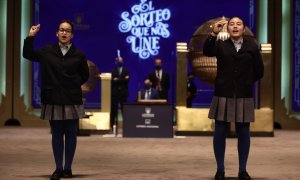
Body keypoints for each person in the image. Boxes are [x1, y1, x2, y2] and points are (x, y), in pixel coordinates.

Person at [23, 20, 89, 180]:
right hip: (53, 98)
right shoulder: (47, 51)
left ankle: (68, 168)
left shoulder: (79, 54)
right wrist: (30, 37)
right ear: (57, 33)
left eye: (67, 31)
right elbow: (28, 54)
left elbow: (84, 75)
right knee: (57, 135)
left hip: (72, 99)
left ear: (72, 35)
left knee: (72, 135)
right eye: (61, 30)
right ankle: (58, 168)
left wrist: (72, 84)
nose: (64, 33)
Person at [203, 16, 264, 180]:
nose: (235, 26)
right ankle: (220, 170)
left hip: (244, 94)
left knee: (243, 132)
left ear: (243, 29)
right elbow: (207, 51)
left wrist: (245, 81)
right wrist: (213, 33)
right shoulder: (221, 45)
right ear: (227, 29)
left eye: (239, 24)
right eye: (232, 24)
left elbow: (259, 71)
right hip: (223, 92)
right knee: (220, 131)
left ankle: (242, 170)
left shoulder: (252, 47)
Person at [110, 56, 130, 129]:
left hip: (123, 93)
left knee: (124, 109)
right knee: (113, 110)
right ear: (116, 62)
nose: (119, 62)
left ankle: (126, 126)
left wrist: (117, 80)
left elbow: (127, 80)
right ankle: (112, 126)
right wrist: (122, 79)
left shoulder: (126, 70)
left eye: (121, 60)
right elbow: (112, 80)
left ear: (123, 61)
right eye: (118, 61)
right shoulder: (112, 70)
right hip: (114, 93)